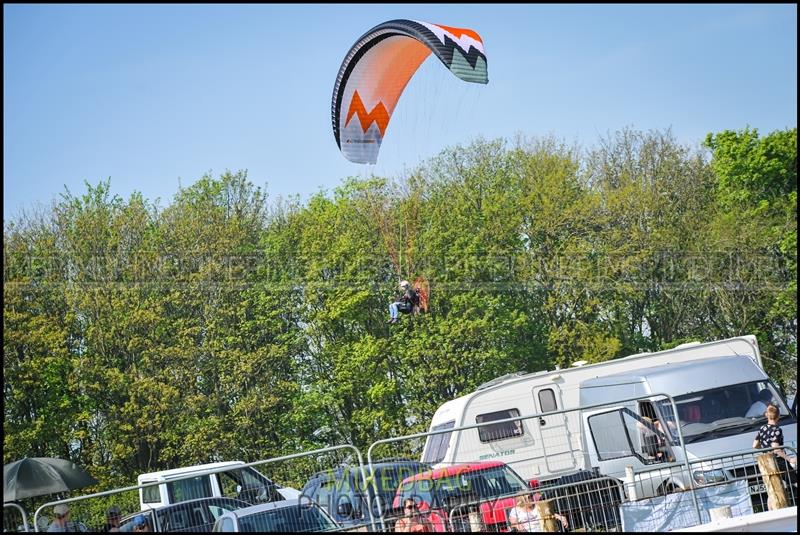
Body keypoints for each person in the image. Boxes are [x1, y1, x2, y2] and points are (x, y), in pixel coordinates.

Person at [752, 404, 797, 510]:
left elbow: (754, 445)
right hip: (778, 461)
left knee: (772, 487)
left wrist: (764, 448)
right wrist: (790, 459)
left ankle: (771, 511)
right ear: (778, 416)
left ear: (767, 415)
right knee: (794, 481)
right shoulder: (776, 429)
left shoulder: (762, 428)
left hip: (767, 461)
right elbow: (776, 449)